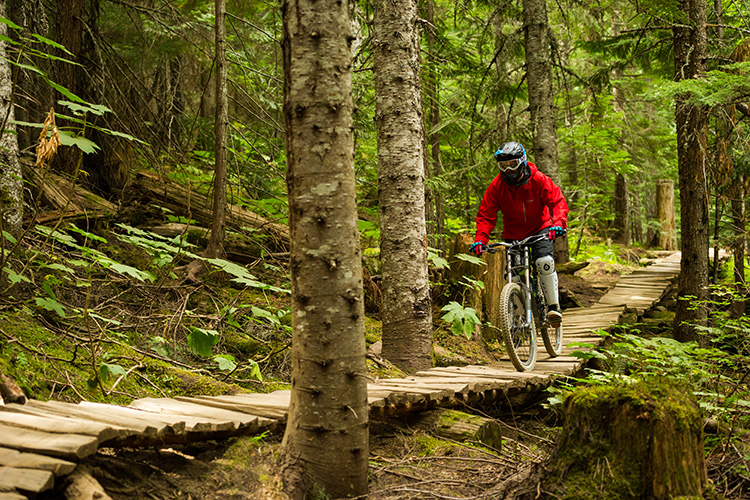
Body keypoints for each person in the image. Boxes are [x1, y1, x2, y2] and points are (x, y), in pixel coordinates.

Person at [469, 141, 569, 327]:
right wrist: (481, 239)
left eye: (512, 165)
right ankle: (522, 318)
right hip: (513, 235)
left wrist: (558, 223)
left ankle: (553, 307)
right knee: (514, 277)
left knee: (544, 262)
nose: (508, 170)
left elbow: (557, 201)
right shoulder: (496, 187)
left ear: (522, 162)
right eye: (503, 166)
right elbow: (485, 214)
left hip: (540, 229)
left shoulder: (539, 179)